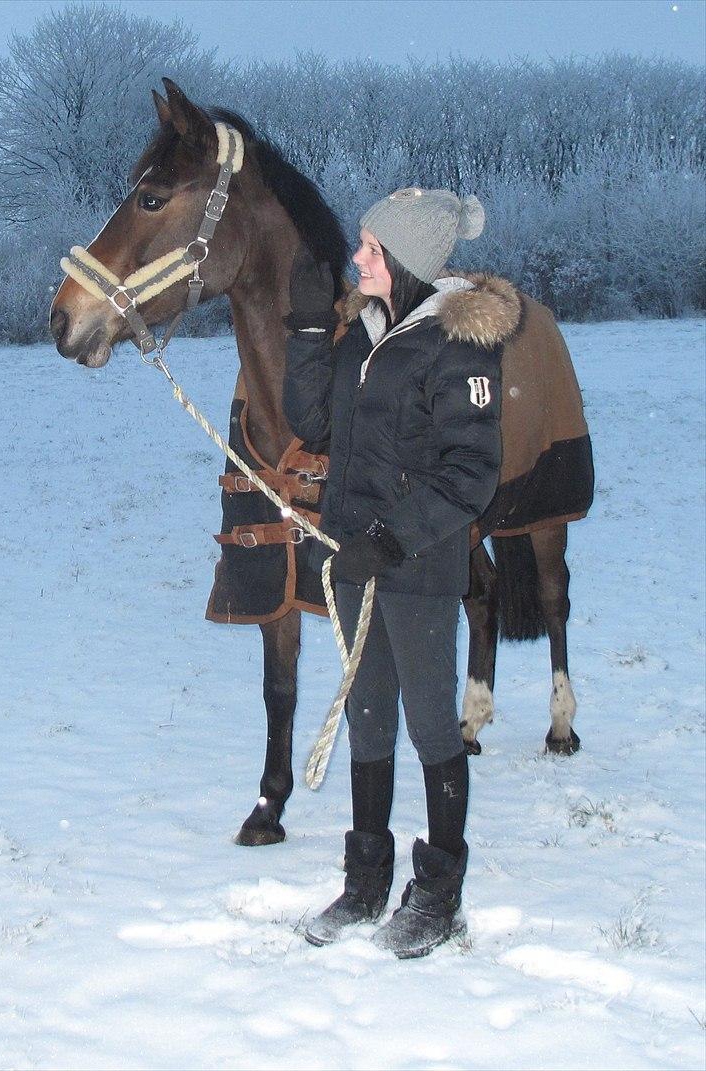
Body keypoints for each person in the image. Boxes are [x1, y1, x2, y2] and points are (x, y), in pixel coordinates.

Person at [283, 187, 502, 959]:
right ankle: (366, 880)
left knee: (431, 726)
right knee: (367, 720)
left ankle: (438, 894)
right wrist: (310, 326)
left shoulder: (457, 345)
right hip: (354, 562)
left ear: (405, 258)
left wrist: (391, 538)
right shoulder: (363, 337)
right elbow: (310, 422)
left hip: (415, 568)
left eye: (371, 248)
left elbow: (471, 473)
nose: (356, 257)